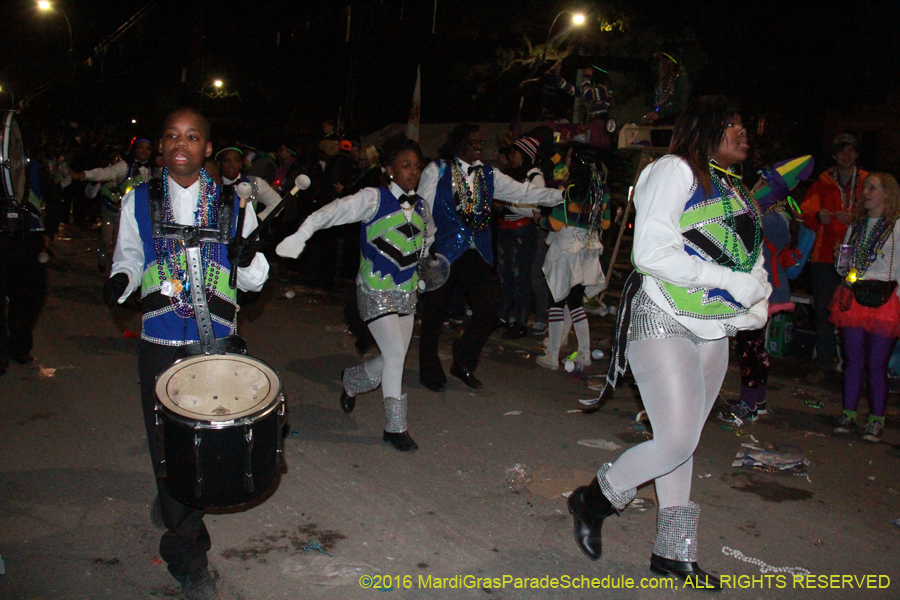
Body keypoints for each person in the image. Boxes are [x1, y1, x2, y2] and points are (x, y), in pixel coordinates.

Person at [570, 96, 770, 590]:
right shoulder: (673, 170)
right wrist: (731, 280)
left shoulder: (734, 187)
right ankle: (593, 500)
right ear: (707, 128)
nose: (744, 135)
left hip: (714, 327)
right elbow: (650, 251)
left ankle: (673, 554)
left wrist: (756, 295)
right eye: (734, 125)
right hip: (661, 315)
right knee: (677, 439)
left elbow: (751, 255)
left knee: (683, 442)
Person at [103, 108, 269, 600]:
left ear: (206, 147)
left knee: (204, 448)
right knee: (166, 444)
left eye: (193, 137)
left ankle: (176, 501)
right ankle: (187, 550)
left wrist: (248, 261)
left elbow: (256, 277)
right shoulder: (138, 200)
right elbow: (130, 256)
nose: (182, 144)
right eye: (173, 136)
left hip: (214, 345)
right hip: (160, 342)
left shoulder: (233, 204)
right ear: (160, 145)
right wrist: (121, 281)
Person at [276, 136, 426, 451]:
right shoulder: (373, 198)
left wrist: (425, 268)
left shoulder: (423, 205)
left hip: (407, 292)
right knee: (397, 354)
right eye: (405, 165)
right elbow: (333, 211)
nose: (413, 172)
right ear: (388, 169)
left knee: (389, 357)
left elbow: (427, 238)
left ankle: (352, 381)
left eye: (417, 166)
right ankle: (395, 428)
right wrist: (302, 234)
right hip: (374, 290)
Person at [417, 123, 564, 391]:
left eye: (482, 143)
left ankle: (463, 360)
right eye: (474, 141)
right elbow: (423, 209)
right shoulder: (437, 169)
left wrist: (562, 195)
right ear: (460, 141)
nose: (479, 147)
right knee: (434, 314)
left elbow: (524, 193)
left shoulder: (489, 174)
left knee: (488, 308)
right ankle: (429, 369)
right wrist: (424, 250)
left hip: (474, 252)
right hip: (442, 250)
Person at [718, 156, 815, 425]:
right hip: (765, 288)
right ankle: (756, 401)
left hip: (764, 289)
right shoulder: (772, 216)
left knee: (750, 347)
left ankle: (749, 403)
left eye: (761, 182)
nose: (755, 186)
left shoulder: (772, 219)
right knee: (754, 347)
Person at [828, 173, 900, 444]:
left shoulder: (897, 226)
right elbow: (844, 269)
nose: (866, 193)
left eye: (873, 188)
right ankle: (848, 414)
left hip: (886, 299)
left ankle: (877, 420)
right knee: (853, 361)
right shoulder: (856, 226)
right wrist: (840, 259)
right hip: (856, 296)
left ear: (887, 194)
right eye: (865, 188)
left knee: (876, 364)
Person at [800, 134, 868, 383]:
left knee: (858, 311)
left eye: (851, 151)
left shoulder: (867, 182)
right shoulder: (822, 182)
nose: (846, 156)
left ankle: (855, 366)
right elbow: (804, 211)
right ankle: (824, 363)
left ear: (857, 154)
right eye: (842, 152)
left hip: (859, 257)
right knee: (824, 311)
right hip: (826, 256)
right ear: (834, 156)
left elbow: (881, 212)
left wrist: (857, 217)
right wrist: (819, 216)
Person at [536, 143, 609, 370]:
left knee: (557, 301)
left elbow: (556, 224)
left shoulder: (572, 189)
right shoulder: (602, 190)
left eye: (570, 158)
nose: (567, 161)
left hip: (566, 249)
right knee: (576, 304)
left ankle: (552, 356)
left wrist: (538, 219)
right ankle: (584, 354)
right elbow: (605, 223)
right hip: (588, 249)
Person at [71, 138, 156, 271]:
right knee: (107, 241)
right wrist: (83, 175)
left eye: (148, 148)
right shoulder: (125, 166)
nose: (144, 151)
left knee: (127, 245)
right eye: (141, 147)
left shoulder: (154, 171)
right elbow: (105, 173)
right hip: (114, 212)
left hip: (138, 215)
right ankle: (103, 257)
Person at [495, 136, 543, 339]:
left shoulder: (534, 177)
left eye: (514, 153)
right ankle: (504, 316)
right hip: (505, 229)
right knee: (504, 276)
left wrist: (506, 204)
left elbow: (534, 209)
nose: (510, 157)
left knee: (520, 276)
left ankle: (521, 320)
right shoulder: (512, 174)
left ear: (524, 155)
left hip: (522, 231)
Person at [216, 146, 283, 220]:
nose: (232, 164)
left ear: (241, 164)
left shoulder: (255, 183)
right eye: (226, 160)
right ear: (219, 164)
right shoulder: (213, 185)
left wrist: (258, 219)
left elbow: (278, 203)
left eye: (236, 160)